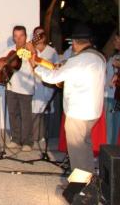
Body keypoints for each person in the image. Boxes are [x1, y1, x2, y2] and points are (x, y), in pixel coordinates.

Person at [30, 24, 104, 173]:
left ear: (75, 43)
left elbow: (52, 78)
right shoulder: (99, 57)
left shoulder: (77, 61)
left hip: (78, 113)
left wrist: (35, 67)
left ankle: (79, 186)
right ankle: (88, 178)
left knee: (76, 152)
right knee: (85, 146)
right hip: (94, 112)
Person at [0, 26, 35, 152]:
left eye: (21, 36)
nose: (18, 39)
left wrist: (32, 52)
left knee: (25, 116)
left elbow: (35, 63)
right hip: (11, 86)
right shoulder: (10, 49)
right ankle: (15, 139)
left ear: (26, 36)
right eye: (16, 36)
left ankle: (28, 141)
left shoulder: (28, 50)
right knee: (12, 114)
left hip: (25, 88)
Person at [29, 27, 58, 149]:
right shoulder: (30, 50)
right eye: (36, 35)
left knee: (45, 111)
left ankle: (44, 137)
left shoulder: (51, 51)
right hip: (34, 83)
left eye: (40, 35)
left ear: (45, 37)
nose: (38, 37)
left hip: (47, 84)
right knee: (35, 111)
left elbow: (56, 67)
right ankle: (35, 137)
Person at [105, 35, 120, 145]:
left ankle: (112, 150)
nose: (114, 42)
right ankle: (111, 149)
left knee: (114, 124)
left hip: (115, 95)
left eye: (116, 39)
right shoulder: (114, 56)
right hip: (110, 95)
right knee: (111, 124)